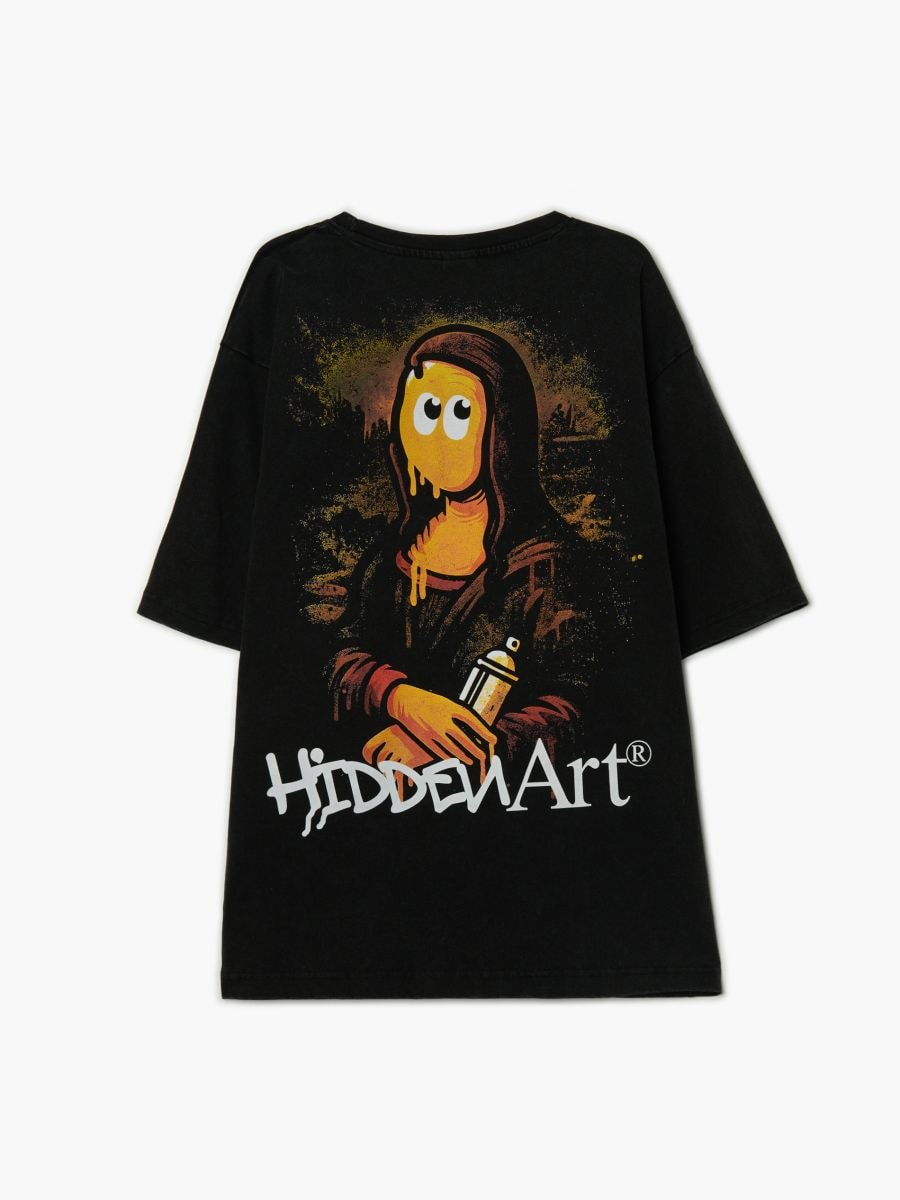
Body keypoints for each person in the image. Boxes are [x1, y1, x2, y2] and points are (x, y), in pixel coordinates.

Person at [325, 324, 604, 780]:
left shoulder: (548, 567)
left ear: (502, 429)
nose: (436, 436)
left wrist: (451, 751)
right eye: (426, 411)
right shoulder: (393, 555)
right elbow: (342, 656)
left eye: (459, 413)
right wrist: (402, 699)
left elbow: (579, 705)